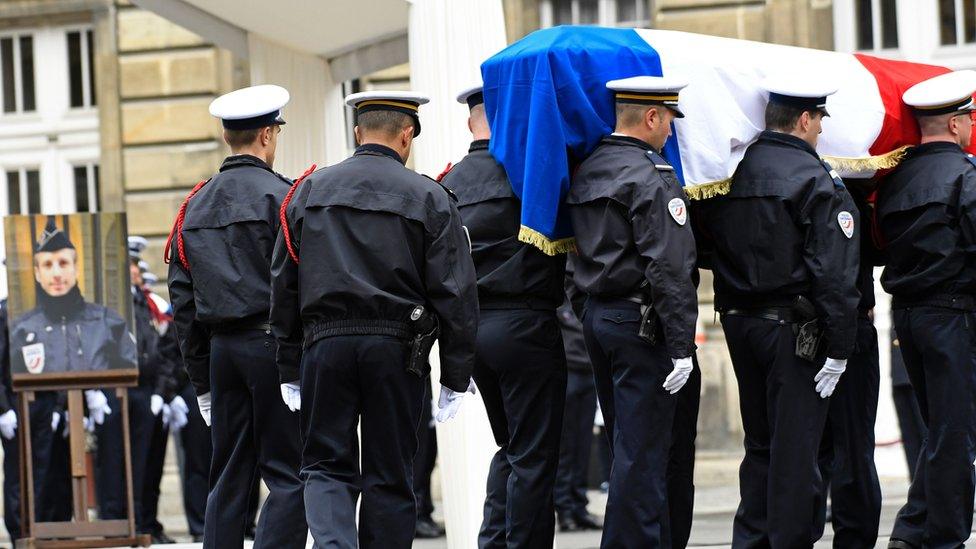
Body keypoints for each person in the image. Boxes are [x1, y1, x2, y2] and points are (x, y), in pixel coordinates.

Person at [270, 90, 479, 547]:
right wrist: (456, 373)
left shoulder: (308, 190)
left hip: (324, 344)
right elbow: (455, 291)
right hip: (398, 348)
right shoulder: (430, 196)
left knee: (325, 466)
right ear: (407, 136)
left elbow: (284, 282)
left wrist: (288, 364)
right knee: (389, 472)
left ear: (358, 133)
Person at [696, 74, 860, 548]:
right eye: (819, 121)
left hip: (741, 323)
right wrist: (841, 347)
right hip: (794, 331)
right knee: (795, 452)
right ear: (805, 119)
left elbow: (709, 246)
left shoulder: (731, 174)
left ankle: (752, 541)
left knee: (761, 445)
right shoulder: (815, 179)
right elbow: (834, 271)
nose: (821, 132)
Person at [166, 84, 307, 549]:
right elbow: (298, 286)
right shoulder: (284, 198)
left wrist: (200, 378)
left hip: (222, 352)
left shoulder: (193, 205)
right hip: (272, 346)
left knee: (227, 473)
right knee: (288, 473)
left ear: (227, 138)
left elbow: (182, 303)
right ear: (268, 135)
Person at [566, 75, 699, 548]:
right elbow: (670, 266)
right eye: (667, 121)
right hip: (644, 325)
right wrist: (682, 344)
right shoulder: (653, 175)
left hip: (601, 319)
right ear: (650, 116)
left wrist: (591, 310)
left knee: (629, 446)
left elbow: (574, 254)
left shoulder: (587, 168)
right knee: (646, 455)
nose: (669, 133)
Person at [441, 84, 567, 548]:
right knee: (534, 455)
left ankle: (493, 541)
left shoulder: (447, 184)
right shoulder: (527, 173)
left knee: (511, 448)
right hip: (526, 323)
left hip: (474, 330)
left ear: (470, 122)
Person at [875, 70, 976, 549]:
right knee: (955, 431)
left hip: (908, 318)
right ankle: (944, 538)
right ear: (957, 125)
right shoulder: (965, 176)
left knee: (939, 426)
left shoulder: (896, 179)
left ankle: (914, 528)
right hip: (954, 315)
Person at [8, 219, 137, 521]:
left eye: (63, 263)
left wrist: (101, 394)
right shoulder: (22, 327)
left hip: (99, 415)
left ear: (76, 268)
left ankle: (113, 524)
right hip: (47, 419)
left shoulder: (107, 319)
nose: (57, 273)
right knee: (48, 477)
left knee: (111, 470)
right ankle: (49, 527)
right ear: (37, 273)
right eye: (48, 264)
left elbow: (128, 365)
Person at [816, 180, 882, 548]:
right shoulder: (845, 189)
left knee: (809, 447)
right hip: (848, 324)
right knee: (853, 445)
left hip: (798, 324)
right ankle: (854, 539)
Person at [554, 268, 600, 533]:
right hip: (569, 370)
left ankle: (579, 504)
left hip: (587, 370)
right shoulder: (559, 292)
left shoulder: (588, 289)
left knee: (583, 442)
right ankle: (565, 508)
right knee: (566, 445)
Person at [890, 334, 925, 480]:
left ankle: (930, 486)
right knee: (910, 437)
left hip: (918, 373)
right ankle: (917, 484)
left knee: (926, 434)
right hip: (899, 375)